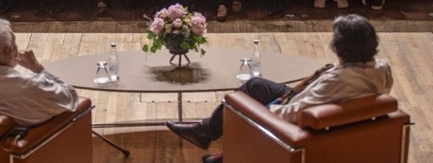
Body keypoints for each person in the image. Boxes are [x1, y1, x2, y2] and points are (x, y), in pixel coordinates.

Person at [167, 14, 393, 163]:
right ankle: (207, 132)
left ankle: (220, 153)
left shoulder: (338, 80)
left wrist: (265, 111)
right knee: (255, 85)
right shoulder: (381, 68)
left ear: (340, 47)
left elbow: (295, 112)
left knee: (241, 105)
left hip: (300, 118)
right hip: (322, 105)